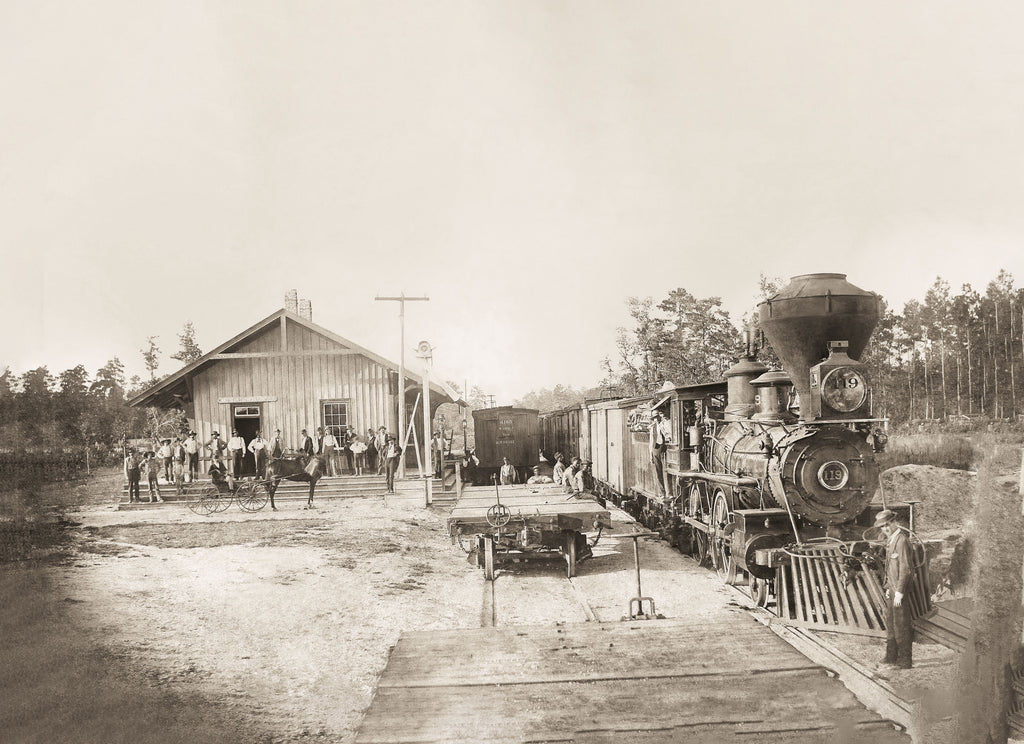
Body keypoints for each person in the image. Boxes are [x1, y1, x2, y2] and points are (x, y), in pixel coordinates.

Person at [876, 509, 914, 669]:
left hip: (899, 591)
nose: (885, 529)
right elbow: (889, 568)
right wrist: (887, 587)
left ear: (894, 522)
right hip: (891, 589)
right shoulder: (891, 540)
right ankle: (891, 656)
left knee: (901, 626)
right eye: (882, 527)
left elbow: (905, 569)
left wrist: (899, 591)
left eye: (887, 525)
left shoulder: (901, 540)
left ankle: (904, 661)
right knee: (891, 625)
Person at [649, 410, 667, 496]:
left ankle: (666, 491)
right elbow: (651, 440)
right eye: (655, 418)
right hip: (655, 449)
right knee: (658, 472)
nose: (656, 419)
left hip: (663, 449)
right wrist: (650, 454)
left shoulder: (663, 424)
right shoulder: (652, 427)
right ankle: (662, 492)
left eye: (657, 417)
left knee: (664, 471)